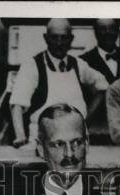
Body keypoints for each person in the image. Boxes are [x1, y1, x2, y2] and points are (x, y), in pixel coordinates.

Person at [8, 19, 108, 148]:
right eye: (54, 38)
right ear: (46, 38)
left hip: (77, 142)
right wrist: (20, 135)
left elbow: (103, 86)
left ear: (71, 39)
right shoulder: (32, 66)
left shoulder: (79, 64)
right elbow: (17, 104)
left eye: (64, 38)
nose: (59, 43)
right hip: (44, 143)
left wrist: (86, 121)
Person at [80, 18, 120, 84]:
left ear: (117, 31)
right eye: (102, 29)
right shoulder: (83, 61)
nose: (108, 32)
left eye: (112, 28)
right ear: (95, 33)